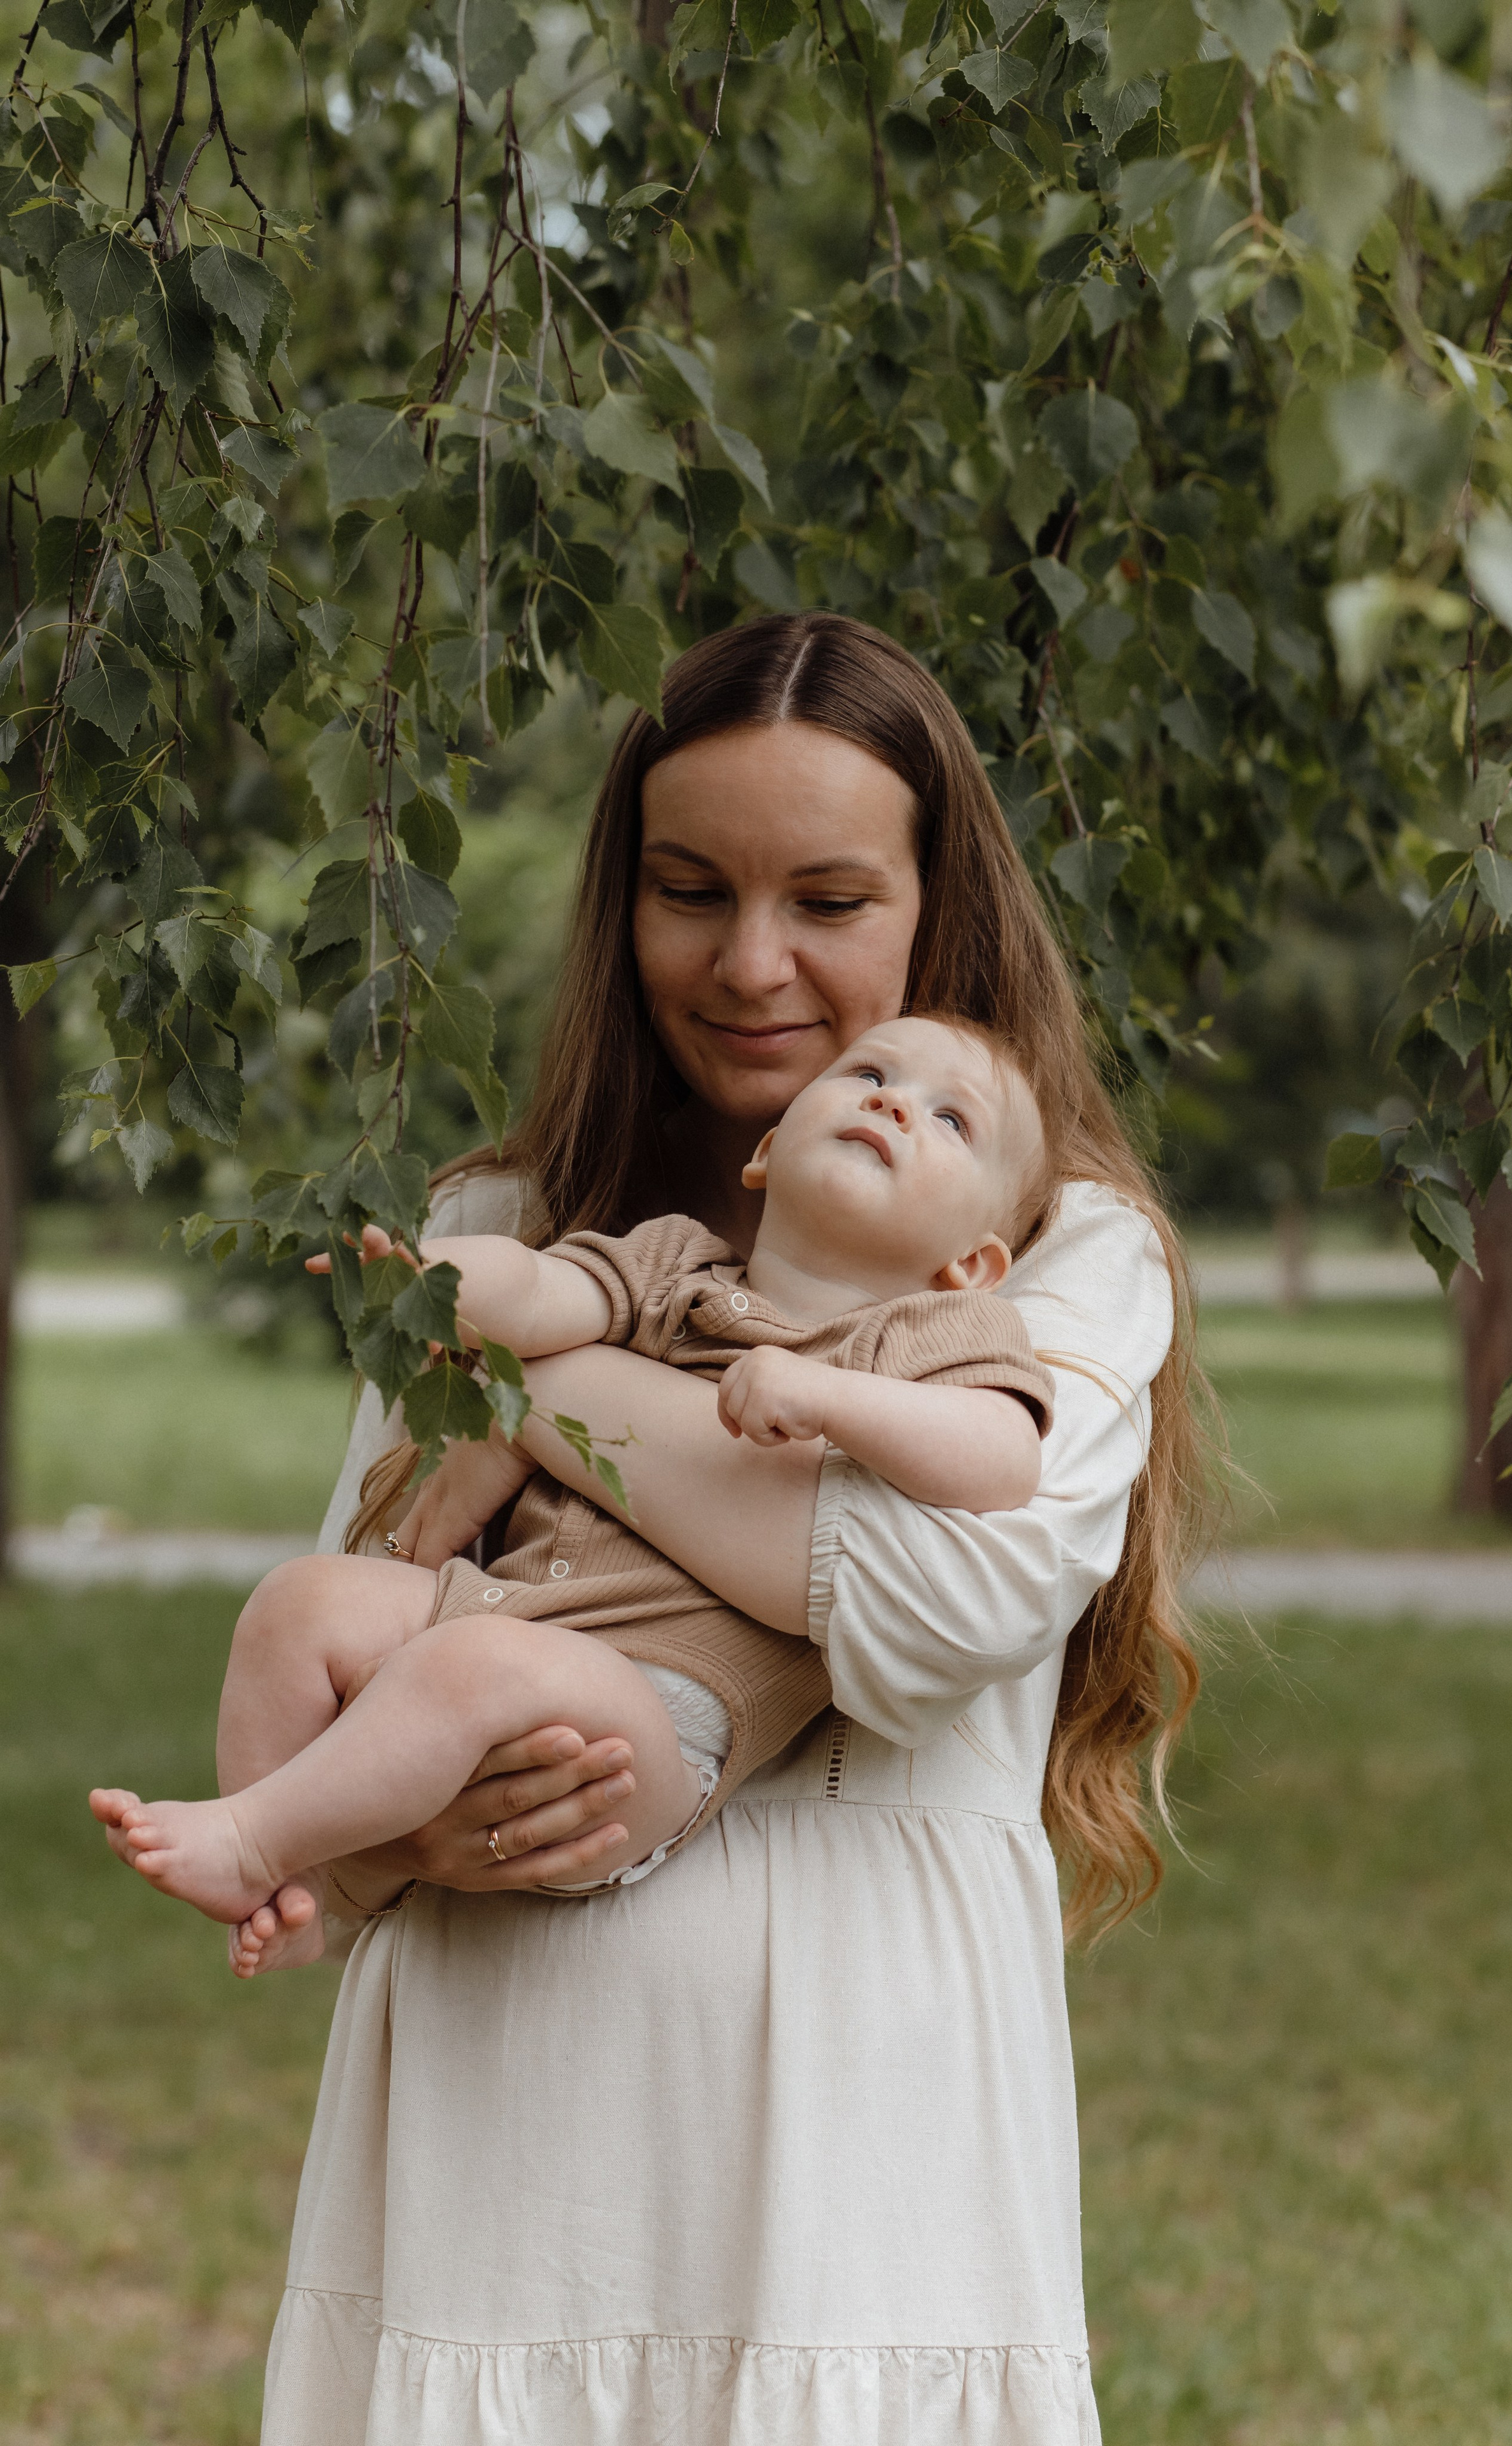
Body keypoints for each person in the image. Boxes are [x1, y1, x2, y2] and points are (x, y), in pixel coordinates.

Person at [259, 612, 1203, 2446]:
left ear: (939, 914)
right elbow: (354, 1664)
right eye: (690, 889)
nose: (750, 962)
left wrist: (541, 1397)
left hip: (863, 2141)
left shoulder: (1059, 1257)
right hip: (503, 2121)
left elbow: (917, 1599)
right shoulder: (496, 1216)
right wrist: (409, 1795)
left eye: (830, 901)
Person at [90, 1015, 1057, 1968]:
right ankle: (293, 1897)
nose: (892, 1101)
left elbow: (1002, 1460)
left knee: (475, 1666)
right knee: (296, 1603)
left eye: (951, 1120)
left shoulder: (924, 1336)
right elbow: (544, 1299)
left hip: (657, 1718)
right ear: (768, 1150)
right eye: (868, 1073)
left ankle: (255, 1837)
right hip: (519, 1618)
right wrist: (440, 1280)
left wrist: (832, 1398)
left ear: (972, 1265)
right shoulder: (676, 1266)